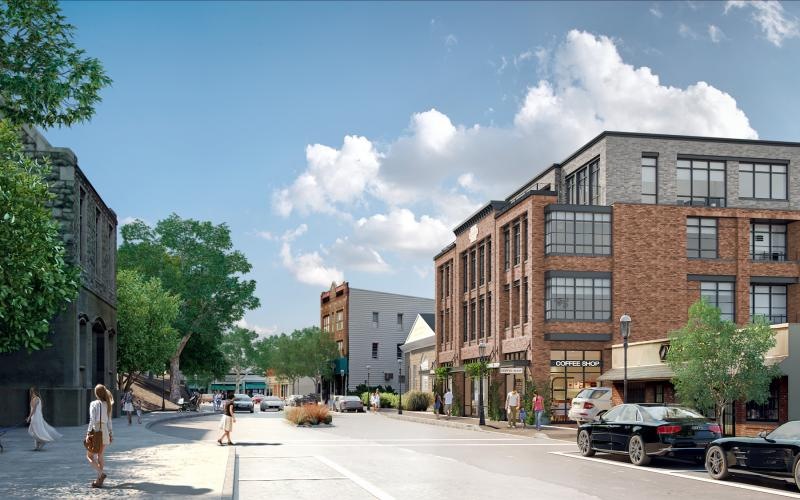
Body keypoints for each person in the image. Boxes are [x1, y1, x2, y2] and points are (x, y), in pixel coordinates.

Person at [86, 384, 114, 488]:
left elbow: (92, 420)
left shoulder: (94, 404)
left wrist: (88, 432)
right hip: (105, 430)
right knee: (100, 455)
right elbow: (109, 421)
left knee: (89, 456)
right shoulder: (108, 404)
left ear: (96, 393)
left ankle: (100, 474)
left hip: (96, 430)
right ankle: (99, 481)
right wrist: (111, 433)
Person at [26, 386, 62, 451]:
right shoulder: (37, 399)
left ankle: (42, 442)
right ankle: (37, 446)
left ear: (33, 392)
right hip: (36, 417)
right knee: (35, 431)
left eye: (31, 391)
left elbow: (33, 410)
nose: (30, 393)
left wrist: (29, 417)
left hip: (36, 417)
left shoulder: (36, 399)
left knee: (35, 431)